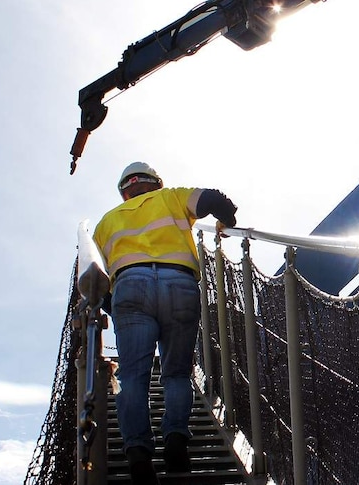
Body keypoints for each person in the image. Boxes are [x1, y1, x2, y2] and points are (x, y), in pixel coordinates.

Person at [93, 161, 238, 484]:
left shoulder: (105, 224)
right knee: (175, 372)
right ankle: (175, 439)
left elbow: (99, 283)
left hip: (129, 287)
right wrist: (227, 222)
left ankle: (138, 453)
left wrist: (118, 308)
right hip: (179, 283)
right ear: (155, 183)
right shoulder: (172, 198)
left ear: (124, 191)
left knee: (132, 378)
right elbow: (214, 200)